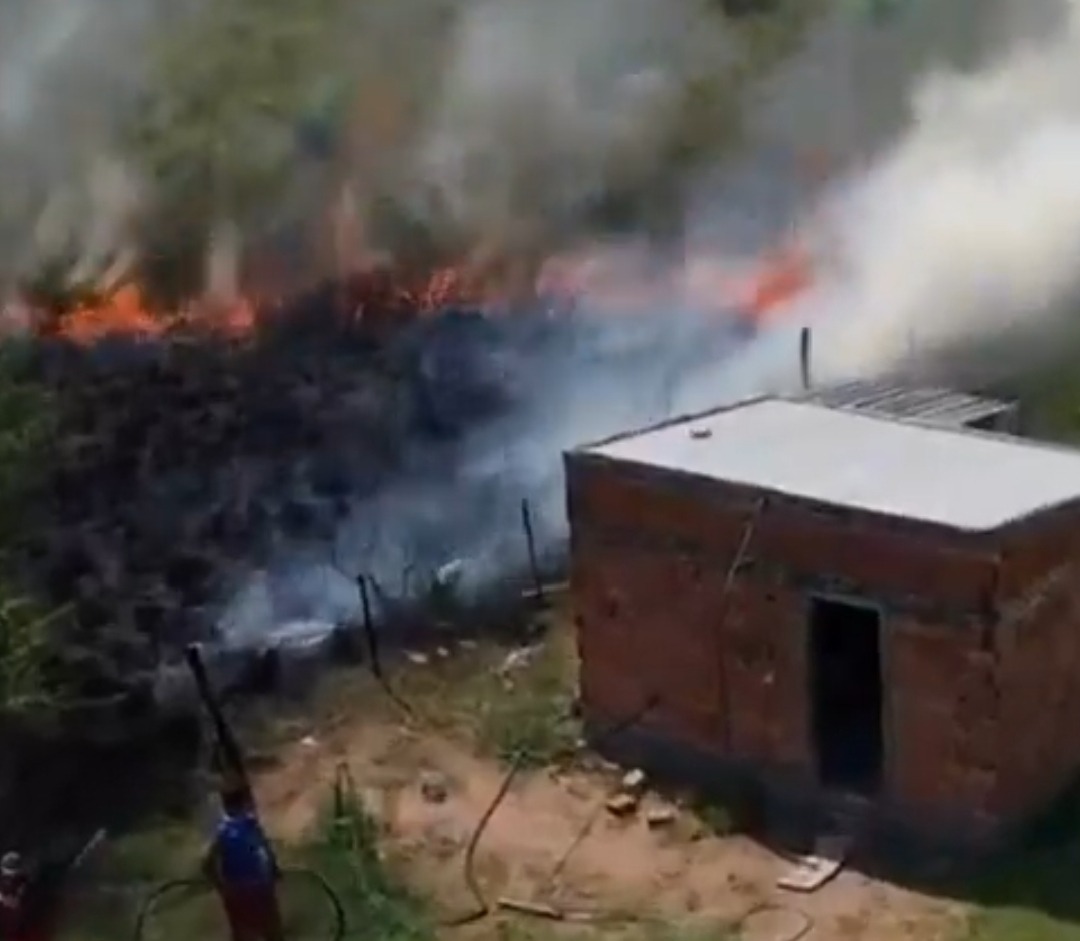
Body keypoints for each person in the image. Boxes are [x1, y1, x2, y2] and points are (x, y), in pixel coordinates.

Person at [202, 781, 283, 941]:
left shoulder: (223, 830)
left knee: (242, 934)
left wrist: (221, 886)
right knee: (273, 931)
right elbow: (268, 852)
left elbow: (207, 865)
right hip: (261, 886)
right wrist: (275, 872)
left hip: (237, 891)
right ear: (244, 803)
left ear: (224, 806)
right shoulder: (252, 824)